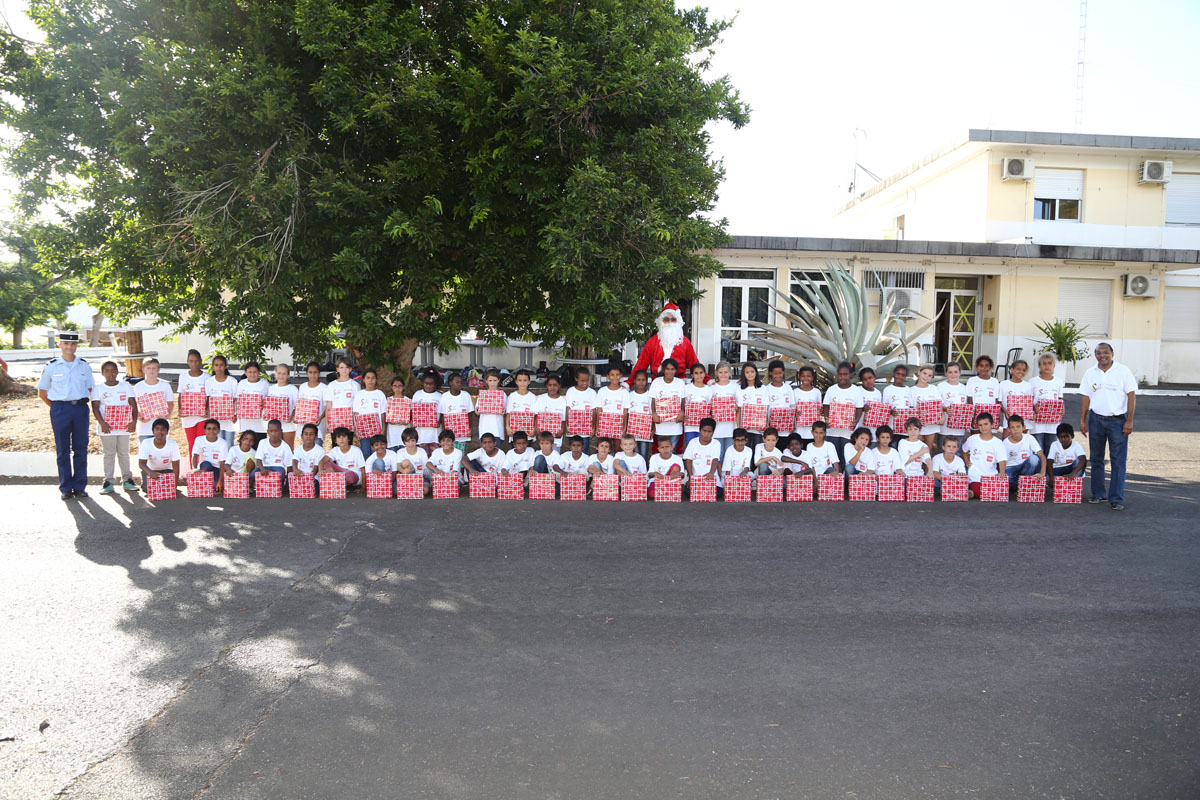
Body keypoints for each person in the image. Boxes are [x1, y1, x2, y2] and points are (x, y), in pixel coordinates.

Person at [38, 331, 95, 499]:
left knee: (81, 448)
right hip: (60, 410)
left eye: (73, 344)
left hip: (80, 409)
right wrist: (56, 407)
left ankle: (79, 486)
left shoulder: (84, 365)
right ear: (60, 345)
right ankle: (65, 487)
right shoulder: (52, 366)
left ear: (76, 345)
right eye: (66, 344)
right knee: (63, 449)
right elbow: (42, 392)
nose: (70, 347)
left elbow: (91, 388)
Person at [1080, 342, 1137, 510]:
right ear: (1095, 355)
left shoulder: (1123, 371)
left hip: (1118, 421)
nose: (1102, 355)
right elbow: (1085, 397)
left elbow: (1131, 396)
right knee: (1096, 459)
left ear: (1112, 354)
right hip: (1096, 419)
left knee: (1118, 460)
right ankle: (1098, 494)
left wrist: (1129, 421)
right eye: (1098, 353)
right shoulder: (1090, 373)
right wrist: (1083, 420)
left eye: (1106, 352)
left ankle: (1116, 498)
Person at [91, 359, 138, 494]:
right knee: (109, 454)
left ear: (117, 372)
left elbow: (133, 404)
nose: (111, 374)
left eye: (113, 371)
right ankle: (108, 481)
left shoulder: (125, 386)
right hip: (107, 428)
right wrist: (102, 424)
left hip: (124, 426)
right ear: (102, 373)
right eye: (107, 371)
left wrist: (133, 421)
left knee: (124, 453)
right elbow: (95, 407)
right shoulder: (98, 388)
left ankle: (127, 480)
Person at [629, 301, 702, 380]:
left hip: (679, 382)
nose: (670, 323)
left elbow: (695, 364)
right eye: (666, 319)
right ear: (661, 321)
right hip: (658, 382)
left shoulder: (685, 342)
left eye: (673, 319)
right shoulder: (652, 341)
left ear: (678, 321)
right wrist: (629, 383)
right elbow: (641, 365)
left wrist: (707, 380)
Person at [822, 362, 862, 467]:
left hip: (848, 431)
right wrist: (826, 419)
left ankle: (845, 480)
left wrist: (856, 421)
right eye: (840, 374)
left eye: (845, 374)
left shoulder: (856, 391)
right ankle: (836, 479)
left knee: (846, 456)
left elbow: (859, 408)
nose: (842, 377)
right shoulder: (832, 390)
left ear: (851, 374)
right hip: (833, 431)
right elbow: (826, 406)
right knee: (833, 456)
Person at [962, 413, 1007, 499]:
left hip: (991, 476)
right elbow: (964, 451)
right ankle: (971, 492)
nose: (983, 427)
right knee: (977, 489)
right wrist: (967, 461)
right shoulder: (973, 439)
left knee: (997, 491)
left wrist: (1002, 472)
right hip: (975, 476)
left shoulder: (998, 443)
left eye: (986, 424)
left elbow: (1002, 460)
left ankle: (968, 492)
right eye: (980, 425)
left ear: (992, 425)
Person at [1029, 353, 1064, 455]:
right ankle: (1039, 470)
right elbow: (1030, 400)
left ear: (1054, 366)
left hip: (1053, 424)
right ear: (1039, 365)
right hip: (1037, 423)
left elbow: (1060, 398)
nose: (1047, 366)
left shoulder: (1058, 382)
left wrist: (1062, 409)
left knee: (1051, 449)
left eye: (1050, 363)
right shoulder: (1033, 382)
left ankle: (1049, 470)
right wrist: (1034, 408)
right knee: (1038, 449)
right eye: (1044, 363)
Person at [133, 358, 175, 443]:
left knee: (162, 452)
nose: (151, 371)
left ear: (158, 369)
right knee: (145, 452)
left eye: (154, 368)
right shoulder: (138, 387)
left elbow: (170, 403)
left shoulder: (165, 385)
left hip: (161, 426)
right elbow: (134, 405)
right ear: (143, 370)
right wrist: (139, 416)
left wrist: (167, 415)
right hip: (144, 427)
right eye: (148, 368)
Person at [177, 349, 210, 456]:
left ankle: (204, 469)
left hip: (202, 416)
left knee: (202, 443)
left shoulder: (207, 377)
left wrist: (207, 409)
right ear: (187, 362)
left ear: (200, 361)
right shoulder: (183, 376)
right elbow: (181, 394)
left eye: (196, 361)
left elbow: (209, 396)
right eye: (191, 361)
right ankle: (194, 469)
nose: (194, 364)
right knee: (192, 443)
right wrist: (180, 409)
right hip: (188, 416)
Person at [649, 358, 686, 452]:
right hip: (661, 425)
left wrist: (682, 412)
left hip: (675, 425)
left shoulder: (680, 383)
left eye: (672, 369)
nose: (670, 371)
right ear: (663, 370)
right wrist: (654, 414)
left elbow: (683, 400)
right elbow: (653, 400)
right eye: (667, 369)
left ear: (676, 370)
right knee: (662, 450)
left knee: (672, 451)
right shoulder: (657, 382)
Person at [205, 355, 239, 448]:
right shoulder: (209, 381)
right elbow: (208, 399)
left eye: (221, 365)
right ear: (212, 366)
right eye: (216, 365)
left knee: (228, 445)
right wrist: (208, 414)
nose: (219, 367)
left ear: (226, 366)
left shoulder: (232, 381)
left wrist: (235, 414)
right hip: (215, 419)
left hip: (229, 420)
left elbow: (235, 399)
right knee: (218, 445)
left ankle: (228, 463)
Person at [1002, 415, 1044, 489]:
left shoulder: (1029, 438)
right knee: (1007, 480)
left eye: (1018, 426)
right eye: (1012, 427)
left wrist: (1042, 473)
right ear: (1008, 429)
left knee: (1034, 459)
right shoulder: (1005, 443)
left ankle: (1024, 483)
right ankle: (1024, 485)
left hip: (1026, 468)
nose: (1016, 430)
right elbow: (1002, 460)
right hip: (1011, 467)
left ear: (1024, 427)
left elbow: (1042, 456)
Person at [137, 418, 181, 488]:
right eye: (157, 429)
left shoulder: (173, 444)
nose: (160, 432)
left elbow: (176, 467)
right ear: (153, 431)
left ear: (167, 432)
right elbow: (141, 464)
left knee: (167, 488)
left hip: (167, 471)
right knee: (147, 489)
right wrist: (150, 473)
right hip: (150, 470)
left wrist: (174, 486)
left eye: (163, 429)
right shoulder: (146, 443)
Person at [252, 419, 294, 492]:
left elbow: (289, 465)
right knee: (252, 475)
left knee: (281, 473)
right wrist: (262, 469)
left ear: (281, 431)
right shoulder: (262, 442)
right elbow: (258, 459)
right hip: (264, 467)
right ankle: (261, 487)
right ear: (268, 432)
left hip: (277, 467)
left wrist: (288, 483)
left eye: (276, 431)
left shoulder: (285, 446)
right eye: (271, 431)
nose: (273, 434)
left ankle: (278, 486)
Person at [320, 426, 365, 491]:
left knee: (349, 475)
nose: (341, 439)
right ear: (335, 441)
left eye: (344, 436)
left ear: (348, 439)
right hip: (340, 474)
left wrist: (363, 487)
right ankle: (336, 482)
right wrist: (320, 469)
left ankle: (337, 484)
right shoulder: (335, 450)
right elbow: (323, 460)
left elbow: (363, 469)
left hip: (354, 475)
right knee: (326, 463)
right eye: (338, 437)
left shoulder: (356, 450)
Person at [234, 361, 268, 446]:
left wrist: (264, 404)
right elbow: (237, 400)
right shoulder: (242, 383)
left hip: (260, 423)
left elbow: (269, 399)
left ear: (259, 372)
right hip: (246, 422)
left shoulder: (264, 383)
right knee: (246, 445)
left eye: (255, 372)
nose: (252, 374)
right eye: (249, 372)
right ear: (245, 372)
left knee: (259, 445)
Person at [191, 418, 229, 494]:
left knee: (218, 488)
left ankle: (212, 484)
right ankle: (204, 483)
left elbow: (222, 463)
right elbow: (195, 455)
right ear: (205, 430)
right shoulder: (199, 440)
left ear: (219, 430)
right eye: (209, 429)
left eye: (214, 429)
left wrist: (220, 481)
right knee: (206, 465)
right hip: (205, 467)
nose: (211, 431)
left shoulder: (223, 443)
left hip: (217, 469)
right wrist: (194, 468)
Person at [564, 367, 598, 453]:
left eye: (587, 380)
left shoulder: (592, 393)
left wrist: (594, 427)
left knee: (584, 449)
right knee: (573, 449)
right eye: (582, 380)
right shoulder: (571, 391)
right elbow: (568, 409)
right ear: (576, 379)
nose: (585, 383)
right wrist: (567, 425)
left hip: (586, 428)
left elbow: (594, 411)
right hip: (573, 427)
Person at [683, 418, 722, 490]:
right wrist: (691, 477)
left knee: (718, 491)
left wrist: (711, 473)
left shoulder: (716, 443)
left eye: (709, 431)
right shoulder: (693, 442)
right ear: (699, 430)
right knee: (688, 492)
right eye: (704, 431)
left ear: (713, 432)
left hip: (711, 479)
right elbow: (688, 460)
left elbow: (715, 459)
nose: (706, 434)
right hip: (696, 479)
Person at [938, 362, 970, 449]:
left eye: (955, 372)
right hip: (944, 428)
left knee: (957, 452)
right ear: (946, 373)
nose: (953, 375)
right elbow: (936, 405)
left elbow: (966, 406)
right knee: (943, 451)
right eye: (950, 372)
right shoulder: (940, 387)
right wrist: (945, 409)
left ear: (960, 373)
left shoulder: (964, 388)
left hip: (959, 429)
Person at [909, 365, 941, 451]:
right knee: (916, 450)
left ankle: (927, 465)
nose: (926, 377)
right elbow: (911, 408)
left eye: (929, 375)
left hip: (931, 425)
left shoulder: (933, 389)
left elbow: (938, 406)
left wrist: (941, 417)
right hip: (917, 425)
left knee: (928, 449)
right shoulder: (911, 390)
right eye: (924, 373)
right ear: (919, 372)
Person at [762, 360, 795, 440]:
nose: (778, 376)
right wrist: (767, 424)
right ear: (770, 373)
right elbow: (764, 409)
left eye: (780, 373)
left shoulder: (788, 388)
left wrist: (793, 424)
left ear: (783, 372)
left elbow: (792, 407)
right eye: (775, 373)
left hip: (786, 428)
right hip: (772, 429)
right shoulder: (766, 389)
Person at [267, 363, 299, 449]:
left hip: (288, 424)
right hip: (274, 424)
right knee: (276, 448)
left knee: (288, 448)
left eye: (284, 373)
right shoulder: (271, 388)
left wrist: (292, 416)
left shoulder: (293, 389)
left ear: (288, 375)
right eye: (279, 373)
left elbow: (298, 406)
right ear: (275, 374)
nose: (281, 376)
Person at [411, 371, 443, 455]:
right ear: (422, 383)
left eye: (431, 384)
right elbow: (412, 410)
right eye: (426, 383)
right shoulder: (417, 395)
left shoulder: (439, 396)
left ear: (435, 384)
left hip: (434, 433)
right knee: (422, 456)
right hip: (421, 433)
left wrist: (439, 422)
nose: (428, 386)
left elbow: (443, 413)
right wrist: (412, 421)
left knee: (435, 456)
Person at [998, 359, 1033, 434]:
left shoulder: (1028, 385)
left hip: (1024, 420)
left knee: (1022, 441)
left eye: (1024, 370)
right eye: (1018, 369)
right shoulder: (1003, 384)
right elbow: (999, 401)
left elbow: (1029, 403)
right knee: (1007, 441)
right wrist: (1005, 411)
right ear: (1012, 370)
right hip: (1009, 418)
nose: (1021, 372)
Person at [297, 361, 328, 446]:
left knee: (317, 446)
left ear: (319, 373)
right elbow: (300, 405)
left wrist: (320, 418)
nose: (313, 375)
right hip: (304, 424)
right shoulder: (303, 387)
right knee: (305, 448)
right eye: (310, 372)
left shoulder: (324, 388)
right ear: (307, 373)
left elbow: (327, 407)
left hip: (318, 424)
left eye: (315, 372)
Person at [792, 366, 823, 450]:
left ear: (812, 377)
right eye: (803, 376)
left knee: (811, 450)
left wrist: (820, 410)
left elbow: (820, 407)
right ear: (799, 377)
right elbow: (792, 408)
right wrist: (794, 413)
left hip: (811, 430)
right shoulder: (795, 392)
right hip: (799, 429)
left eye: (808, 376)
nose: (805, 378)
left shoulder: (816, 392)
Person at [682, 363, 713, 447]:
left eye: (701, 372)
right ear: (692, 375)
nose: (699, 375)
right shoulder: (686, 388)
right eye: (696, 373)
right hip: (690, 425)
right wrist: (683, 414)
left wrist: (710, 415)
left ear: (704, 374)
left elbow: (711, 407)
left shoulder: (709, 390)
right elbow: (682, 405)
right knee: (690, 446)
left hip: (704, 426)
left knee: (702, 447)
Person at [505, 369, 539, 443]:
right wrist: (507, 427)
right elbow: (509, 413)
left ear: (529, 382)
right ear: (516, 382)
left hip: (528, 433)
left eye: (525, 380)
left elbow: (535, 415)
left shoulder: (532, 397)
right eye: (520, 380)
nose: (522, 383)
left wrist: (535, 428)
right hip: (514, 432)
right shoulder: (512, 396)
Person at [627, 370, 654, 462]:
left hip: (645, 431)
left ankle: (644, 474)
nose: (641, 382)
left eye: (643, 380)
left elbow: (652, 413)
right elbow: (627, 413)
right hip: (632, 430)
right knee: (634, 453)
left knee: (643, 453)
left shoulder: (650, 396)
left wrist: (652, 429)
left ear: (647, 381)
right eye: (638, 380)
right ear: (634, 381)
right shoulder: (629, 395)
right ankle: (635, 474)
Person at [535, 374, 567, 452]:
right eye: (550, 385)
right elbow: (536, 415)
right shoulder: (541, 398)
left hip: (556, 437)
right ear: (546, 386)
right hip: (543, 436)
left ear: (559, 386)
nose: (552, 387)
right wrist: (536, 428)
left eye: (555, 385)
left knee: (555, 456)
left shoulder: (563, 401)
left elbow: (563, 419)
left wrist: (562, 430)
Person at [646, 436, 684, 500]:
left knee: (675, 467)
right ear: (658, 449)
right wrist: (655, 474)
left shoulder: (678, 459)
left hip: (670, 482)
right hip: (657, 481)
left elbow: (682, 474)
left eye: (667, 447)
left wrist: (677, 474)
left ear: (672, 447)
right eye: (662, 447)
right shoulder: (654, 457)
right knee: (652, 494)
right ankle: (666, 492)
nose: (665, 449)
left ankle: (666, 491)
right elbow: (649, 474)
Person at [477, 369, 506, 447]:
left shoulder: (503, 395)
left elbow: (505, 409)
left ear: (498, 380)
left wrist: (503, 411)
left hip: (497, 428)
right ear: (486, 381)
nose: (492, 383)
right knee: (484, 451)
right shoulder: (482, 395)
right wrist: (478, 411)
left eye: (495, 380)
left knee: (496, 449)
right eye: (490, 380)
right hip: (484, 427)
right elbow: (477, 410)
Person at [882, 365, 912, 433]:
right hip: (891, 426)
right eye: (898, 374)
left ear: (905, 377)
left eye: (903, 375)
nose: (900, 377)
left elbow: (910, 406)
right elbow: (884, 407)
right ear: (893, 374)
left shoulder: (908, 389)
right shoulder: (887, 390)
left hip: (905, 426)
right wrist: (891, 411)